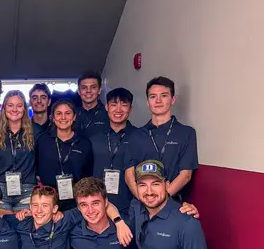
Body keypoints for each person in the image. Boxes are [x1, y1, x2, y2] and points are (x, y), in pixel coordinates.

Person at [126, 77, 198, 199]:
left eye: (164, 95)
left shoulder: (186, 133)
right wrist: (144, 199)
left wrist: (161, 199)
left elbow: (185, 175)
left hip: (172, 203)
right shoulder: (135, 135)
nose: (158, 100)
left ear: (173, 99)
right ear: (148, 102)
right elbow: (129, 175)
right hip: (141, 203)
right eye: (153, 96)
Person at [0, 90, 42, 213]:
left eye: (19, 105)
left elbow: (40, 160)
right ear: (4, 108)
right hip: (1, 187)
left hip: (26, 187)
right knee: (3, 227)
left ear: (24, 108)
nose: (15, 109)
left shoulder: (36, 132)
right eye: (10, 105)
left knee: (23, 226)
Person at [89, 88, 139, 218]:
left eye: (124, 105)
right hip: (96, 205)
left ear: (130, 108)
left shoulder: (139, 136)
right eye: (113, 104)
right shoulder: (93, 137)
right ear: (106, 107)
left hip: (129, 205)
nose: (118, 109)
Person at [36, 99, 93, 210]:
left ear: (74, 117)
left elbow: (88, 173)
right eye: (59, 113)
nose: (63, 117)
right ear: (52, 117)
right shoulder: (42, 140)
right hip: (48, 199)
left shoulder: (84, 143)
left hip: (76, 200)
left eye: (67, 113)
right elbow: (36, 168)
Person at [75, 71, 110, 138]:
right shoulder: (71, 114)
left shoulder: (108, 113)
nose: (88, 91)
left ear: (99, 90)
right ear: (79, 91)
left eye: (93, 87)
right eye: (84, 87)